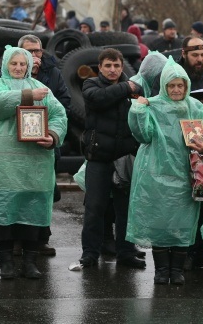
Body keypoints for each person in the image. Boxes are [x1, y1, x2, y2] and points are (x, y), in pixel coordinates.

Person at [0, 46, 67, 279]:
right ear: (6, 65)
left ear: (29, 66)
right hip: (3, 165)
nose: (18, 68)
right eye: (14, 63)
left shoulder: (41, 88)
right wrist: (26, 96)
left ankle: (30, 262)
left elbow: (59, 114)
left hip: (35, 164)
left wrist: (53, 136)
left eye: (22, 64)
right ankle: (6, 263)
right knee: (3, 211)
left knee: (33, 210)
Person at [127, 58, 203, 285]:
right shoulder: (152, 105)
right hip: (156, 175)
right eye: (171, 85)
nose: (176, 90)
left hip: (188, 176)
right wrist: (139, 111)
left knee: (182, 225)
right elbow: (143, 135)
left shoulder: (196, 108)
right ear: (164, 86)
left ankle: (177, 271)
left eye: (180, 85)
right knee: (160, 224)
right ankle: (161, 270)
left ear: (186, 86)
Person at [79, 48, 145, 269]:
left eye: (116, 65)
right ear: (100, 67)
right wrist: (125, 87)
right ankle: (90, 253)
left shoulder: (136, 89)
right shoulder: (91, 85)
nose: (112, 69)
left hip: (125, 157)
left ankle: (126, 252)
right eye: (108, 65)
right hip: (98, 156)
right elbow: (98, 100)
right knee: (95, 207)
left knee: (125, 209)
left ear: (121, 67)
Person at [17, 34, 72, 256]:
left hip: (45, 142)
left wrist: (47, 127)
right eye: (28, 51)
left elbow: (65, 103)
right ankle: (17, 240)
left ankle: (41, 239)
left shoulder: (53, 73)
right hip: (19, 146)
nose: (34, 55)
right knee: (19, 193)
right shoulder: (13, 70)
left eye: (37, 51)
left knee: (43, 193)